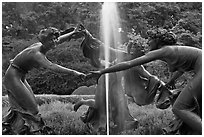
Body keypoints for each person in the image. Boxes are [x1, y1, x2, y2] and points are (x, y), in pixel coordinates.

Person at [88, 28, 202, 134]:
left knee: (179, 108)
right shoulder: (171, 51)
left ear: (157, 41)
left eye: (150, 40)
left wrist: (102, 72)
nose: (147, 42)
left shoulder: (163, 50)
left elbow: (128, 64)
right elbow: (183, 68)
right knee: (193, 108)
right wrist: (171, 81)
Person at [2, 26, 86, 134]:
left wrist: (73, 33)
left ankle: (17, 129)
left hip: (20, 75)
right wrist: (74, 72)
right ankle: (23, 130)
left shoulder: (43, 45)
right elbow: (52, 67)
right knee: (32, 109)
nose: (55, 41)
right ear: (45, 41)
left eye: (55, 38)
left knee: (27, 107)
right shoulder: (37, 54)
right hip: (12, 76)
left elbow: (59, 40)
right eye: (52, 39)